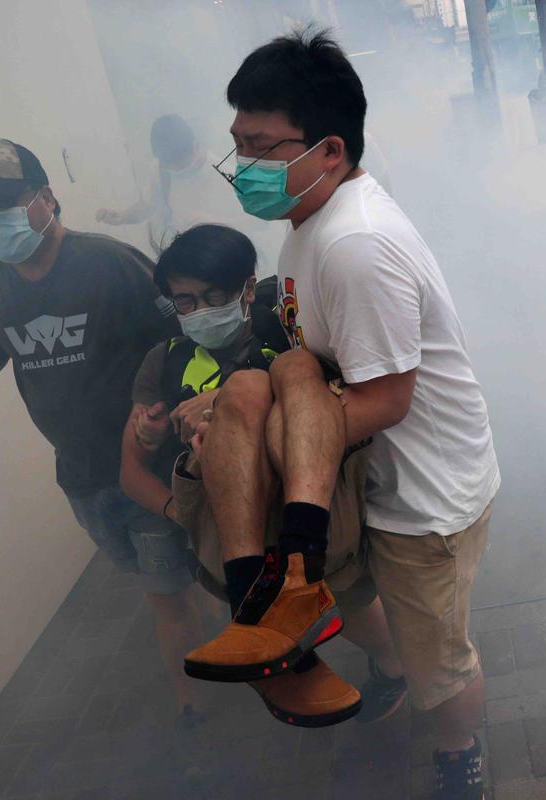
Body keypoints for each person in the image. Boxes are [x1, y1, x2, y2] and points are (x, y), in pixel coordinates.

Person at [189, 30, 500, 799]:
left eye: (261, 148)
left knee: (439, 667)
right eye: (237, 145)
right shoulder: (309, 226)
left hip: (422, 501)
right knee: (353, 603)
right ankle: (345, 642)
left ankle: (458, 750)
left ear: (329, 150)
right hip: (359, 482)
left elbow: (389, 399)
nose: (243, 166)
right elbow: (324, 364)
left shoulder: (356, 244)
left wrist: (255, 446)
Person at [0, 139, 207, 725]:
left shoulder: (109, 263)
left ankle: (193, 704)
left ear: (46, 198)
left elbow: (181, 338)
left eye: (3, 202)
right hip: (80, 477)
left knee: (166, 594)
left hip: (147, 465)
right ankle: (205, 604)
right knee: (157, 578)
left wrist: (168, 407)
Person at [120, 223, 402, 728]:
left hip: (311, 507)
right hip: (233, 526)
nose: (199, 311)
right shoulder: (164, 363)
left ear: (248, 289)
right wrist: (179, 507)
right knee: (250, 387)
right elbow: (131, 470)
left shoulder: (291, 329)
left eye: (213, 296)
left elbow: (355, 392)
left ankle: (387, 663)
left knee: (355, 612)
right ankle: (266, 628)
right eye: (185, 302)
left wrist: (225, 397)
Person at [95, 114, 283, 263]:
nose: (176, 170)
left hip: (221, 259)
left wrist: (215, 223)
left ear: (195, 145)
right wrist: (122, 217)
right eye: (169, 165)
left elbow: (260, 223)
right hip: (185, 259)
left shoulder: (226, 175)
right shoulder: (160, 169)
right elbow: (150, 204)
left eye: (181, 165)